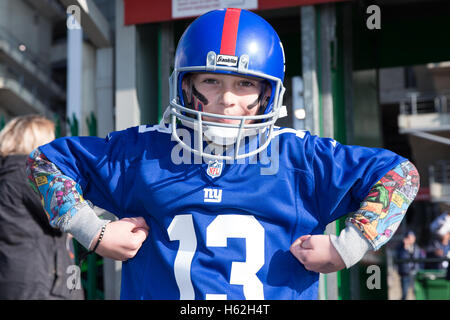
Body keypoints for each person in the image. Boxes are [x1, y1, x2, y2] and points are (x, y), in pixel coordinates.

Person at [26, 8, 420, 300]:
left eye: (245, 84)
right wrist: (92, 231)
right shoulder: (144, 152)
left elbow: (400, 175)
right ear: (185, 84)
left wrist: (347, 248)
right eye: (211, 80)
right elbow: (44, 161)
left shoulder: (299, 158)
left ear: (268, 93)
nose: (227, 99)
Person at [0, 115, 83, 300]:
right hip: (40, 283)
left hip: (19, 278)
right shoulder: (27, 173)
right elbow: (65, 212)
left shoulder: (8, 174)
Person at [396, 230, 423, 300]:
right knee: (405, 293)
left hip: (415, 273)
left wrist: (419, 269)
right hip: (405, 273)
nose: (411, 239)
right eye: (409, 238)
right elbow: (401, 258)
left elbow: (421, 258)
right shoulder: (401, 248)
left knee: (417, 292)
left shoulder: (417, 247)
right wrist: (405, 248)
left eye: (412, 237)